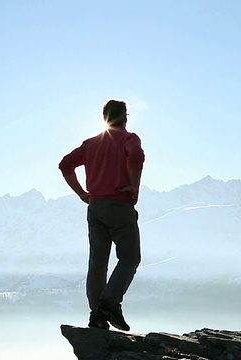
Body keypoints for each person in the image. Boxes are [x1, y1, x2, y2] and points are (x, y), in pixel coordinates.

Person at [58, 99, 145, 331]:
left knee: (97, 263)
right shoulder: (129, 139)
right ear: (125, 117)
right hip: (120, 206)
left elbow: (65, 165)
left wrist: (81, 193)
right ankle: (110, 304)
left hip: (95, 207)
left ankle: (96, 315)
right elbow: (135, 157)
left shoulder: (90, 144)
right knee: (130, 258)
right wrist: (134, 185)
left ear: (104, 117)